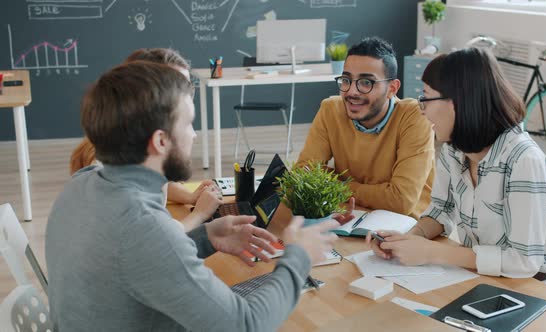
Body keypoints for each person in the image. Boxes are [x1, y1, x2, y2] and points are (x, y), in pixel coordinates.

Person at [46, 61, 339, 331]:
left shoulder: (79, 185)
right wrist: (298, 258)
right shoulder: (143, 227)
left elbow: (134, 264)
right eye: (188, 123)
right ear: (161, 141)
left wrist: (204, 237)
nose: (194, 135)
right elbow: (246, 325)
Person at [367, 47, 546, 280]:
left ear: (457, 102)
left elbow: (523, 261)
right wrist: (409, 239)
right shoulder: (454, 149)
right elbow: (441, 210)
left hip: (526, 285)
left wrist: (433, 252)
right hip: (478, 272)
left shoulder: (523, 160)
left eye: (426, 98)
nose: (422, 111)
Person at [69, 48, 221, 228]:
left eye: (187, 87)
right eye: (175, 86)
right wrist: (199, 215)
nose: (184, 96)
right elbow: (153, 236)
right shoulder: (110, 178)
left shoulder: (127, 152)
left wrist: (189, 196)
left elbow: (152, 182)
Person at [297, 37, 435, 220]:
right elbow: (303, 176)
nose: (352, 92)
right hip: (347, 217)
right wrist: (375, 193)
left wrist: (334, 182)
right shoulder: (330, 109)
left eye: (366, 83)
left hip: (405, 229)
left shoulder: (415, 116)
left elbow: (401, 201)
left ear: (392, 89)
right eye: (346, 80)